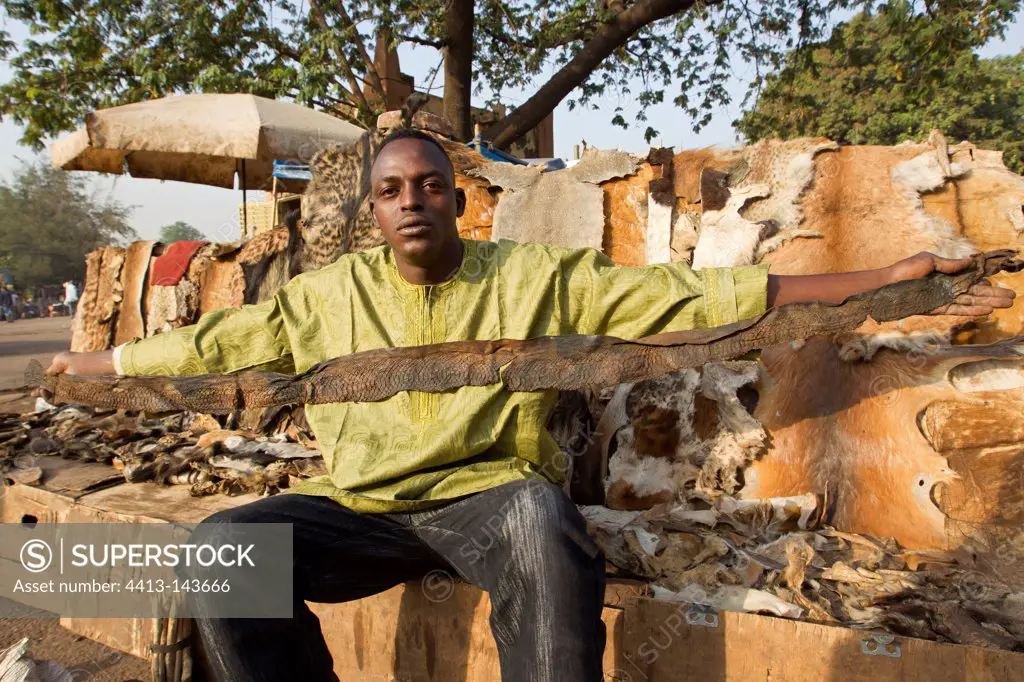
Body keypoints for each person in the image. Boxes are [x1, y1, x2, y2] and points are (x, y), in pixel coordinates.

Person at [41, 129, 1016, 682]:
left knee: (540, 525)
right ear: (374, 209)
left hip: (489, 497)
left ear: (457, 202)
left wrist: (881, 275)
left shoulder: (537, 275)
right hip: (365, 508)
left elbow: (691, 295)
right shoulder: (323, 297)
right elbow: (213, 346)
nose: (412, 200)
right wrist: (101, 360)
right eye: (393, 189)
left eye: (430, 184)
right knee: (223, 550)